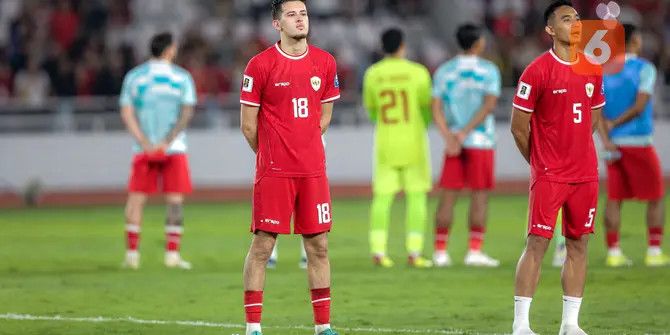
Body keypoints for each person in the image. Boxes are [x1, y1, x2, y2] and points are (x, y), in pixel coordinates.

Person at [239, 1, 340, 334]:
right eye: (292, 15)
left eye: (304, 14)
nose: (300, 19)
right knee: (263, 246)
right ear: (276, 24)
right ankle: (253, 328)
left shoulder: (325, 62)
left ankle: (322, 327)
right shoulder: (260, 65)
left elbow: (324, 116)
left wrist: (304, 146)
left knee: (319, 247)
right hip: (274, 172)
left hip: (313, 171)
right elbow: (248, 125)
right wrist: (271, 154)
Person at [510, 1, 606, 334]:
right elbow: (518, 127)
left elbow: (593, 118)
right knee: (537, 243)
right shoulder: (536, 71)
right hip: (550, 175)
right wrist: (541, 163)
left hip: (586, 174)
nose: (576, 23)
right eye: (567, 19)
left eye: (578, 18)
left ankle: (570, 324)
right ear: (550, 30)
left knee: (579, 244)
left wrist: (575, 149)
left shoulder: (593, 67)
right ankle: (521, 324)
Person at [120, 32, 196, 270]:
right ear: (170, 50)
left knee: (135, 201)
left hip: (144, 149)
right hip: (174, 148)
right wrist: (168, 140)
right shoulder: (181, 78)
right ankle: (172, 256)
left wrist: (143, 141)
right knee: (175, 202)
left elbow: (126, 111)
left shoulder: (135, 77)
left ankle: (132, 256)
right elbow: (186, 112)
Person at [598, 23, 668, 267]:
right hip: (638, 141)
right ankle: (653, 251)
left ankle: (614, 253)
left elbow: (595, 111)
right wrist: (616, 123)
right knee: (657, 196)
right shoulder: (644, 69)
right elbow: (640, 106)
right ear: (635, 41)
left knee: (614, 198)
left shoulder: (603, 71)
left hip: (613, 144)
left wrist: (606, 138)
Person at [362, 28, 433, 268]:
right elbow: (425, 107)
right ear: (402, 46)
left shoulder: (373, 73)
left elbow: (371, 109)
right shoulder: (418, 72)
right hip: (413, 142)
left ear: (382, 47)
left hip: (386, 143)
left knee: (382, 198)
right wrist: (420, 125)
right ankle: (414, 252)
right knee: (417, 197)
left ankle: (378, 251)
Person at [432, 23, 501, 267]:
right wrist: (465, 133)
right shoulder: (489, 70)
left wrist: (450, 137)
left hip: (453, 143)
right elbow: (489, 105)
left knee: (448, 196)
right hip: (480, 140)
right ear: (478, 43)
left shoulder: (444, 71)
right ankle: (474, 251)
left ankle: (440, 253)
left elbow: (436, 108)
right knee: (479, 196)